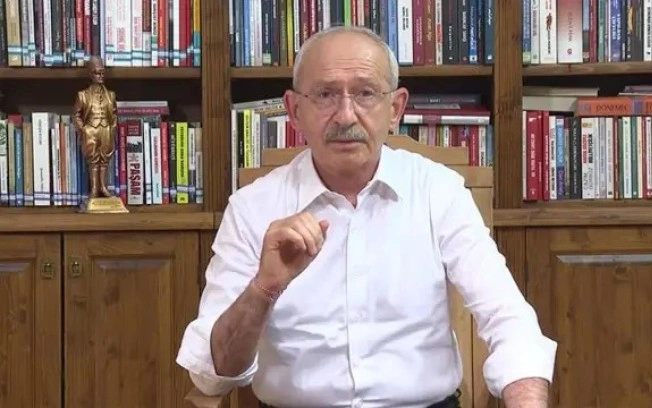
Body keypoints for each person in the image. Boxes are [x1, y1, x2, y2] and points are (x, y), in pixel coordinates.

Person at [176, 25, 557, 408]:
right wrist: (264, 287)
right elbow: (211, 375)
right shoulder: (252, 207)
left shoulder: (439, 192)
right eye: (325, 94)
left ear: (395, 109)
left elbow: (507, 318)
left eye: (366, 93)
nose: (346, 115)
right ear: (294, 111)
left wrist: (525, 399)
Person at [72, 55, 117, 198]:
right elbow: (76, 115)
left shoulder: (111, 95)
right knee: (92, 159)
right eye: (97, 73)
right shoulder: (82, 95)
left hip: (105, 129)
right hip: (91, 129)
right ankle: (94, 189)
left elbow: (114, 114)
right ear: (90, 74)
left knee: (105, 159)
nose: (100, 76)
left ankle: (103, 187)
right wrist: (84, 130)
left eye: (102, 72)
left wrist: (112, 129)